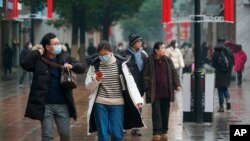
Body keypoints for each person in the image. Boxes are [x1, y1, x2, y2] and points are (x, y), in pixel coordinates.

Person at [21, 32, 85, 140]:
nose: (58, 45)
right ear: (47, 46)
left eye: (58, 43)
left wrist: (72, 66)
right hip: (45, 104)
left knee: (65, 135)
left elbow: (82, 67)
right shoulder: (39, 60)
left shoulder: (64, 56)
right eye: (55, 43)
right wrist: (38, 52)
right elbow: (24, 64)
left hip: (62, 103)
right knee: (47, 136)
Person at [85, 40, 144, 141]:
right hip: (100, 103)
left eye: (105, 54)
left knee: (117, 134)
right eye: (100, 55)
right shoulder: (95, 65)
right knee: (103, 135)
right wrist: (96, 80)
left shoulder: (121, 63)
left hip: (117, 104)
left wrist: (138, 100)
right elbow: (88, 86)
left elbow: (130, 83)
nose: (103, 57)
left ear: (111, 51)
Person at [143, 41, 181, 140]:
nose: (164, 50)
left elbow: (174, 73)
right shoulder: (149, 60)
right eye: (162, 48)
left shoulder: (168, 60)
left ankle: (164, 130)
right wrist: (147, 87)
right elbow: (145, 75)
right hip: (154, 91)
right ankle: (156, 131)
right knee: (156, 112)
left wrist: (177, 85)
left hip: (166, 91)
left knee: (165, 111)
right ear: (156, 50)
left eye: (164, 48)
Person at [120, 33, 147, 136]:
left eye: (141, 41)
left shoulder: (143, 55)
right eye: (138, 41)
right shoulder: (124, 55)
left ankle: (136, 127)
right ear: (133, 43)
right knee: (126, 106)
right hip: (128, 85)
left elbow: (146, 71)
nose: (140, 43)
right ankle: (124, 126)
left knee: (138, 105)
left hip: (139, 85)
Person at [212, 38, 234, 112]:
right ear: (224, 42)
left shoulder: (216, 51)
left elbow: (213, 64)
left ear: (218, 42)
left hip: (219, 73)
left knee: (220, 89)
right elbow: (233, 62)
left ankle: (221, 107)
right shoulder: (229, 50)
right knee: (225, 88)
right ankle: (227, 98)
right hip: (227, 73)